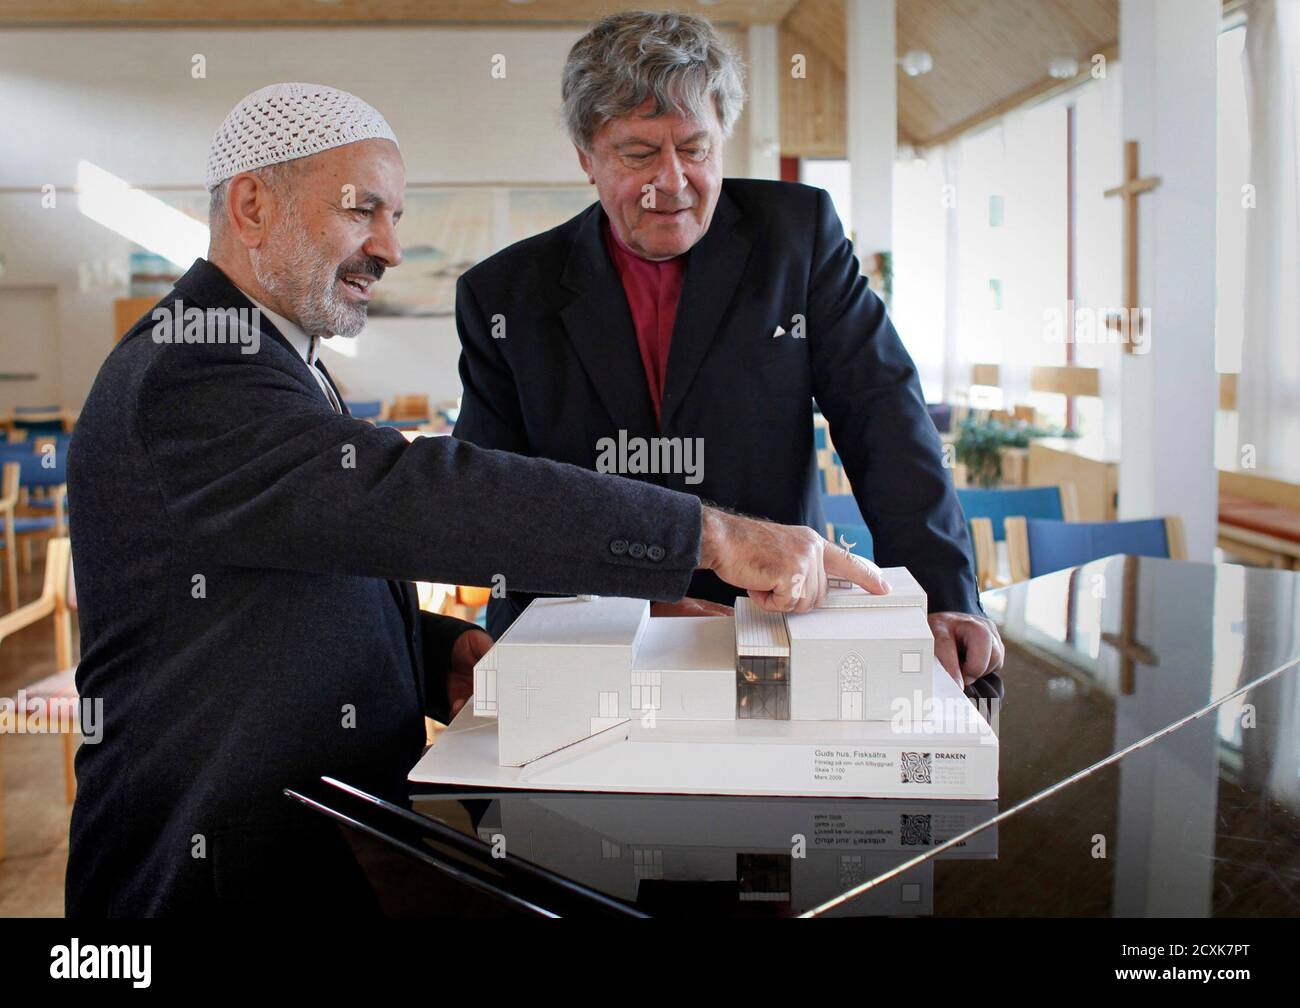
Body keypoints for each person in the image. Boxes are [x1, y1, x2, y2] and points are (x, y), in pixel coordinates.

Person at [66, 83, 887, 917]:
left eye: (395, 217)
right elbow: (411, 496)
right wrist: (707, 534)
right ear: (252, 206)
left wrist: (435, 658)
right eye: (362, 210)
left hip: (310, 853)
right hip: (206, 876)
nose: (390, 248)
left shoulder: (273, 356)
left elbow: (293, 576)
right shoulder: (190, 372)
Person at [453, 11, 1004, 688]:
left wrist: (944, 593)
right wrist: (633, 604)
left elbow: (883, 414)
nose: (672, 182)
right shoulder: (504, 295)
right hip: (582, 635)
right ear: (586, 157)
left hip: (774, 624)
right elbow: (495, 500)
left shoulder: (797, 238)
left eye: (695, 148)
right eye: (638, 154)